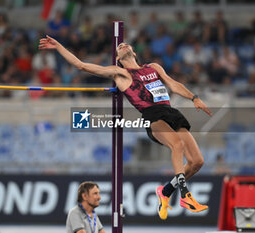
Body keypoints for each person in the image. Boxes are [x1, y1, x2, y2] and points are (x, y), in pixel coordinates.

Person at [39, 36, 212, 220]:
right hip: (152, 116)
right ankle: (185, 195)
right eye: (119, 47)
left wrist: (194, 98)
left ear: (134, 52)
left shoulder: (153, 67)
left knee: (197, 161)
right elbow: (81, 65)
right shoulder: (120, 73)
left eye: (124, 44)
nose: (122, 45)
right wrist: (58, 46)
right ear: (118, 59)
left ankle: (166, 191)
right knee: (177, 144)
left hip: (171, 112)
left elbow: (172, 84)